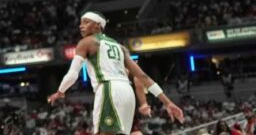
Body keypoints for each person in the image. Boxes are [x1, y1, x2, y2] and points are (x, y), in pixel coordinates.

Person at [48, 12, 185, 135]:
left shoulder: (86, 42)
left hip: (109, 89)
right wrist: (167, 102)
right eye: (81, 22)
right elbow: (142, 76)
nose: (81, 26)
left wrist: (60, 91)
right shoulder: (119, 46)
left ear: (98, 25)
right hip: (127, 92)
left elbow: (73, 73)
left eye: (86, 22)